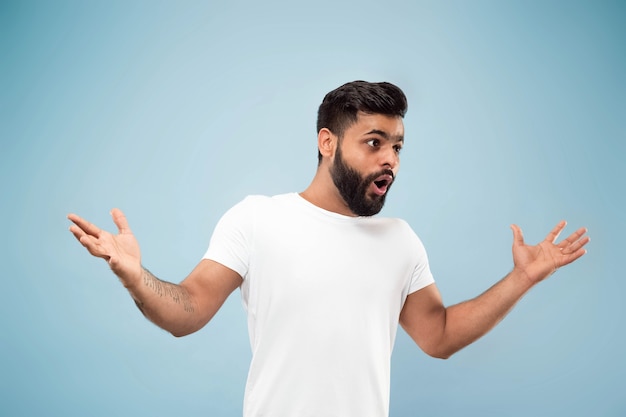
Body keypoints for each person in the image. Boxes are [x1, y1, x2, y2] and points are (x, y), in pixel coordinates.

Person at [68, 80, 589, 417]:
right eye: (374, 142)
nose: (391, 160)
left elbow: (441, 336)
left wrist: (522, 278)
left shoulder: (399, 239)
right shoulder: (258, 218)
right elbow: (189, 311)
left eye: (398, 146)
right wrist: (135, 276)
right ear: (328, 142)